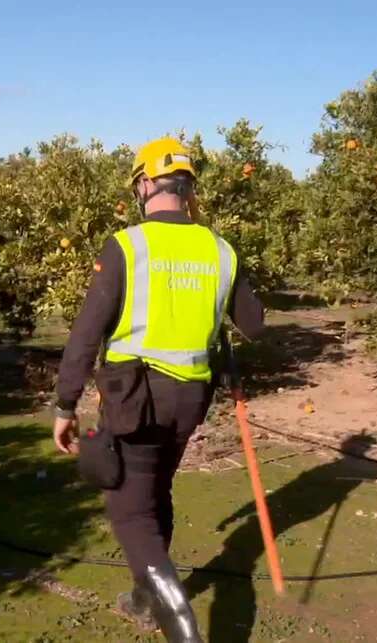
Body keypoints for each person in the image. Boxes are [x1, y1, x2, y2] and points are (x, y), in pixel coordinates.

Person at [52, 136, 266, 642]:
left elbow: (87, 333)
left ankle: (185, 634)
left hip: (136, 399)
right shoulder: (219, 249)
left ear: (145, 184)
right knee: (155, 491)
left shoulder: (128, 244)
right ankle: (147, 599)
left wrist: (65, 403)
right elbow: (254, 324)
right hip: (189, 400)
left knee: (130, 514)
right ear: (188, 187)